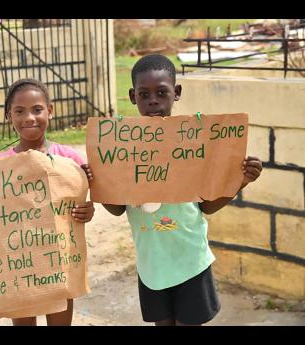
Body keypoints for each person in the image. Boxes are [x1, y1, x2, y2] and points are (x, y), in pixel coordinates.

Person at [102, 54, 262, 326]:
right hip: (152, 265)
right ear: (132, 96)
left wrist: (241, 181)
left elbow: (207, 206)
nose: (153, 100)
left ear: (176, 93)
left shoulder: (192, 142)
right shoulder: (123, 148)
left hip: (190, 261)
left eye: (161, 92)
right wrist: (102, 181)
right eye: (144, 94)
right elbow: (117, 210)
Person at [0, 78, 95, 326]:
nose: (29, 118)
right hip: (16, 270)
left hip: (60, 266)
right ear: (8, 116)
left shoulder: (70, 159)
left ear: (50, 111)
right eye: (19, 111)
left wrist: (87, 211)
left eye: (37, 109)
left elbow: (81, 206)